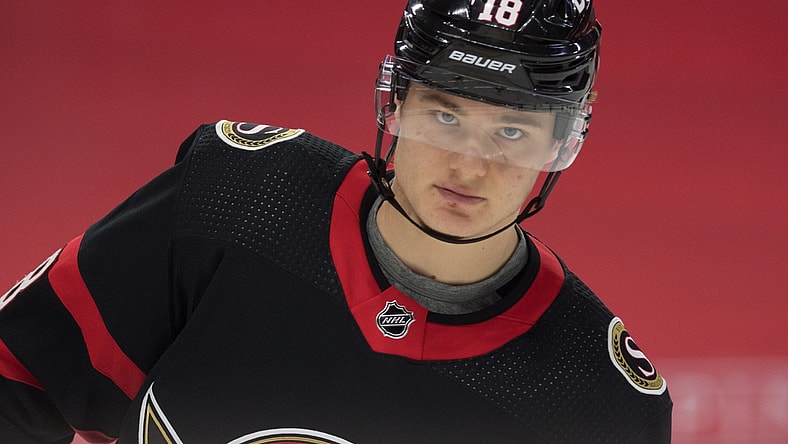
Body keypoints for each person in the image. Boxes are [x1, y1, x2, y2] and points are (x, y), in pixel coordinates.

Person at [0, 1, 672, 442]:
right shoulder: (236, 200)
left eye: (511, 132)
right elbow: (18, 369)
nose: (471, 164)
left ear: (560, 146)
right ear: (396, 102)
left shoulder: (598, 405)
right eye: (446, 116)